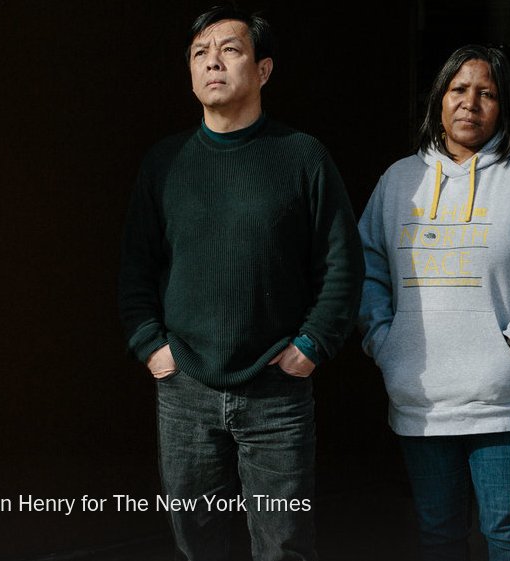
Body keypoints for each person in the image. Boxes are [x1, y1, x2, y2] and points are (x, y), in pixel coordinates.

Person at [117, 6, 363, 560]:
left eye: (230, 50)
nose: (213, 63)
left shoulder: (302, 156)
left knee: (284, 545)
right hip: (185, 388)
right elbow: (135, 268)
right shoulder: (165, 162)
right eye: (200, 54)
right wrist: (152, 347)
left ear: (263, 69)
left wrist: (311, 346)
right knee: (197, 544)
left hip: (276, 390)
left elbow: (342, 264)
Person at [358, 44, 510, 561]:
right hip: (421, 397)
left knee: (507, 533)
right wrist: (383, 340)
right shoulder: (400, 181)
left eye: (487, 93)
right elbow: (367, 266)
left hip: (509, 402)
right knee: (438, 535)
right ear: (438, 99)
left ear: (504, 106)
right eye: (458, 90)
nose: (470, 103)